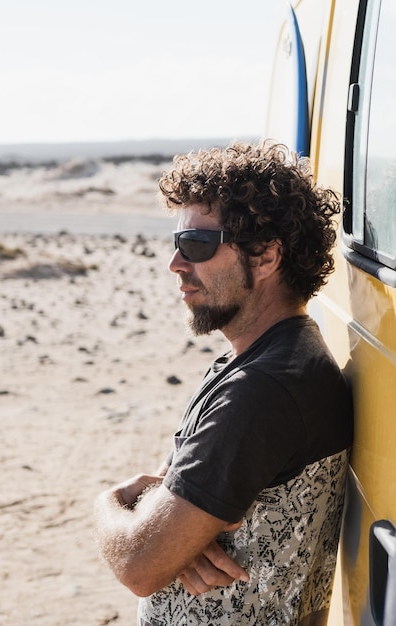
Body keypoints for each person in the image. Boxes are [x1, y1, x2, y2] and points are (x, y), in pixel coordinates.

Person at [93, 142, 353, 625]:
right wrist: (178, 535)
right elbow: (168, 498)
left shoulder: (261, 390)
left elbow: (137, 564)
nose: (175, 265)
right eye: (175, 244)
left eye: (196, 245)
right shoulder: (270, 359)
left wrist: (107, 504)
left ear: (266, 257)